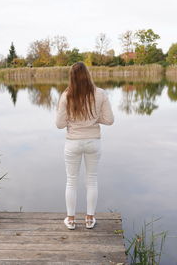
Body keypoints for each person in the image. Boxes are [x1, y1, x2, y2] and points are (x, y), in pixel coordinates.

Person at [55, 62, 114, 230]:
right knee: (92, 180)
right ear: (88, 74)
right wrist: (94, 119)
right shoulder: (100, 94)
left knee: (71, 181)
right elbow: (109, 120)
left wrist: (74, 122)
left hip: (73, 142)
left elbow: (59, 124)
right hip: (93, 142)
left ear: (71, 77)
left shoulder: (66, 95)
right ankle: (89, 219)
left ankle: (71, 220)